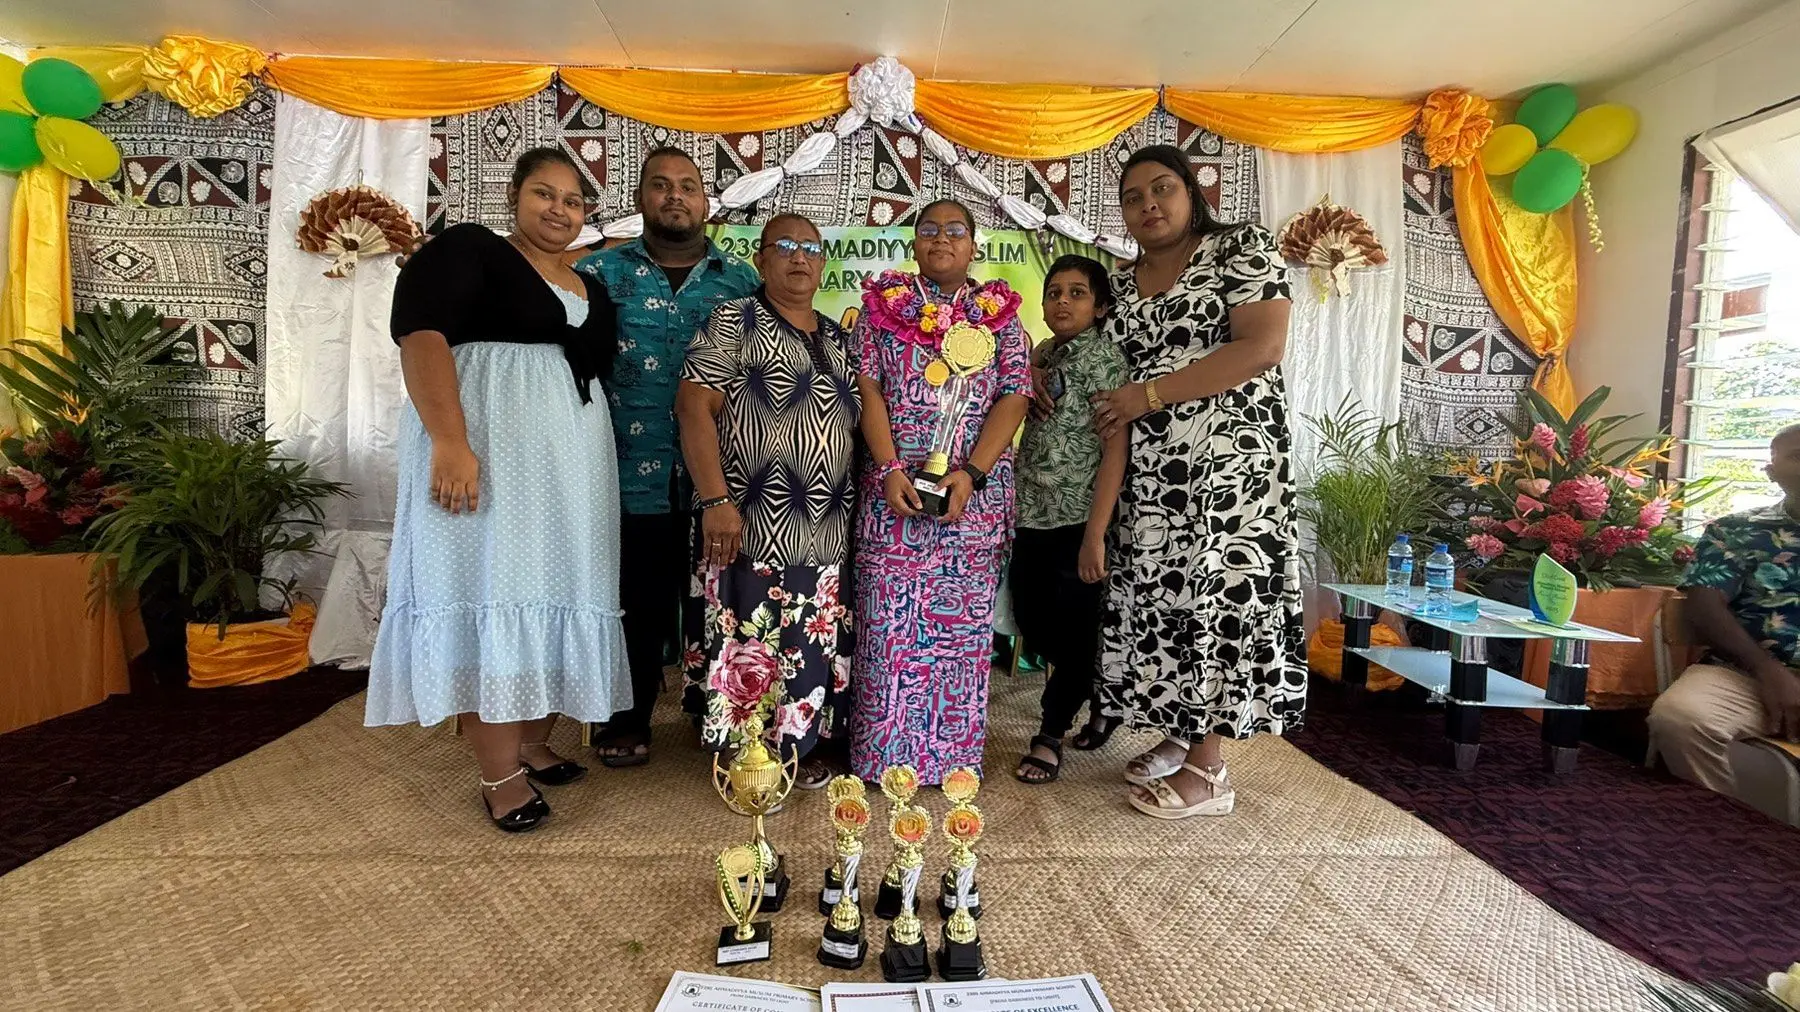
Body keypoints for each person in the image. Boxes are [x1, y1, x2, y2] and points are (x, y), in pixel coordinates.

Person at [366, 148, 629, 833]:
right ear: (514, 195)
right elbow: (421, 339)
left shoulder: (588, 283)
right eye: (544, 194)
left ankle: (532, 741)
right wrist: (451, 442)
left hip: (571, 467)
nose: (559, 210)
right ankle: (498, 774)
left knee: (555, 587)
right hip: (488, 451)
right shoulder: (468, 250)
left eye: (573, 202)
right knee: (495, 588)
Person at [1091, 145, 1305, 820]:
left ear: (1192, 192)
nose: (1148, 204)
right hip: (1153, 475)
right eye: (1133, 196)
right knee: (1166, 603)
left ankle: (1211, 772)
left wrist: (1149, 394)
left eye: (1162, 188)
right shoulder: (1121, 283)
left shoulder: (1240, 247)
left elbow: (1261, 347)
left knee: (1215, 599)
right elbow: (1103, 362)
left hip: (1229, 470)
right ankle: (1184, 733)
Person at [576, 148, 761, 768]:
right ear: (641, 199)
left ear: (707, 203)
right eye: (661, 185)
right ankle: (629, 714)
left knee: (721, 593)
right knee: (638, 593)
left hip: (723, 475)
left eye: (688, 186)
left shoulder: (743, 283)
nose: (674, 196)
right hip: (630, 467)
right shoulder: (598, 275)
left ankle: (715, 705)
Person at [848, 199, 1032, 785]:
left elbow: (1014, 396)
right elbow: (868, 392)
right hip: (891, 493)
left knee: (958, 637)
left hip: (971, 502)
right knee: (887, 627)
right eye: (929, 229)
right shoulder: (879, 314)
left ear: (975, 244)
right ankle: (881, 760)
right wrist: (889, 468)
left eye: (956, 230)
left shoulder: (1003, 320)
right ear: (914, 241)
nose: (942, 239)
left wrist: (972, 473)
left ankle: (949, 764)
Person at [676, 214, 861, 787]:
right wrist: (714, 499)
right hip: (745, 523)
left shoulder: (837, 337)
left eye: (810, 247)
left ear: (823, 263)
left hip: (825, 528)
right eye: (784, 246)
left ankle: (799, 744)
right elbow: (692, 408)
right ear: (760, 260)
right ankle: (747, 754)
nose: (798, 257)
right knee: (747, 640)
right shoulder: (734, 320)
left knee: (810, 641)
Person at [1010, 255, 1129, 784]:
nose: (1063, 301)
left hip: (1078, 520)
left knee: (1077, 631)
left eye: (1077, 293)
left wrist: (1096, 535)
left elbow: (1115, 449)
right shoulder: (1041, 352)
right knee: (1032, 623)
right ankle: (1104, 687)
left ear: (1101, 306)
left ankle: (1049, 734)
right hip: (1028, 515)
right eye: (1055, 292)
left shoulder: (1105, 363)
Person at [1648, 425, 1800, 799]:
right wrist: (1767, 669)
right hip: (1745, 673)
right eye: (1798, 456)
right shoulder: (1736, 530)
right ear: (1772, 471)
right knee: (1680, 718)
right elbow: (1704, 603)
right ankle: (1721, 831)